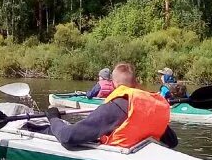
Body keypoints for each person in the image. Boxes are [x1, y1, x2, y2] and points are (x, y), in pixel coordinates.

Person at [43, 63, 177, 150]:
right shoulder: (150, 106)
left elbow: (67, 138)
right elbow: (172, 142)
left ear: (114, 85)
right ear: (135, 83)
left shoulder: (115, 107)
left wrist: (54, 118)